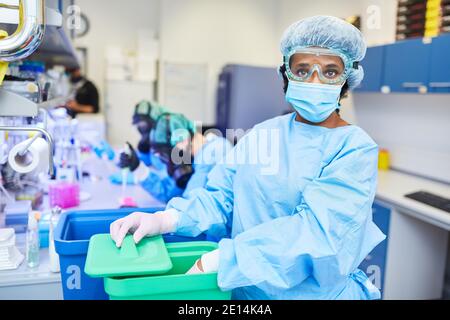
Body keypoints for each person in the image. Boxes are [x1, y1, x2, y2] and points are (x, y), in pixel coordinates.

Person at [110, 15, 386, 300]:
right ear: (285, 74)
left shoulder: (354, 148)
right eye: (302, 70)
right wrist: (167, 219)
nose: (314, 80)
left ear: (346, 81)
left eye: (329, 72)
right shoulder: (262, 134)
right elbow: (221, 196)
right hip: (246, 290)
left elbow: (317, 235)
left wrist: (223, 260)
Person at [115, 111, 233, 206]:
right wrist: (138, 168)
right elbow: (169, 193)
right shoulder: (190, 157)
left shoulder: (213, 154)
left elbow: (188, 209)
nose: (168, 160)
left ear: (182, 140)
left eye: (167, 154)